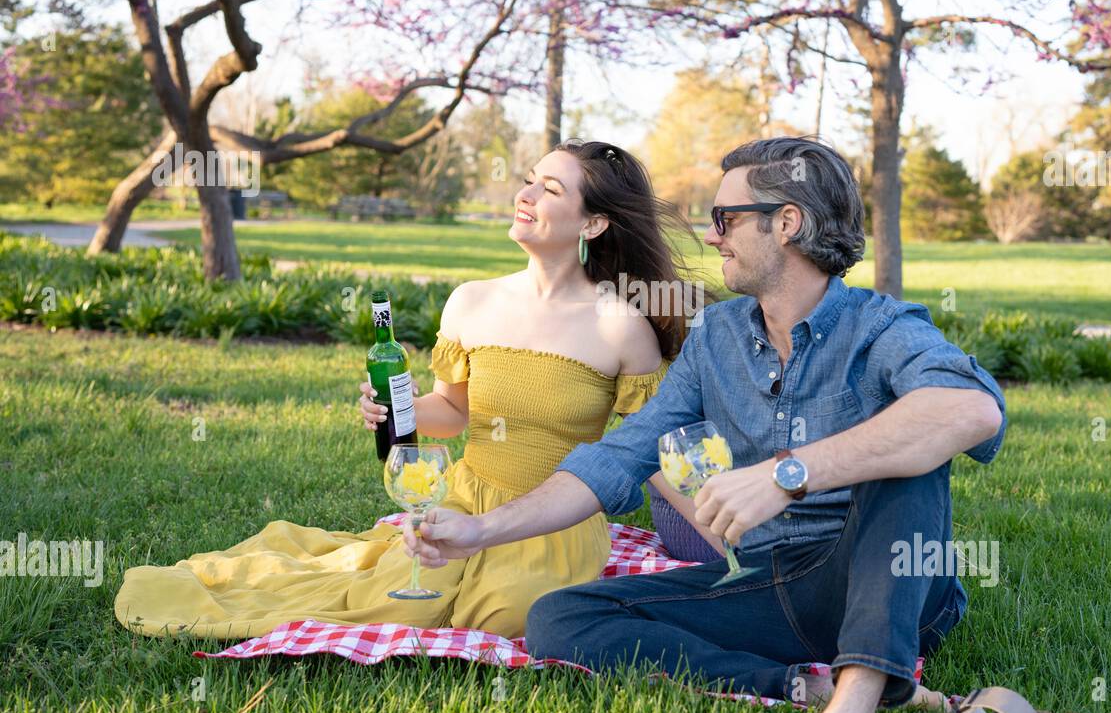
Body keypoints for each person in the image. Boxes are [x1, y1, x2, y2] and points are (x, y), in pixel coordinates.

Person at [402, 136, 1007, 713]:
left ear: (787, 224)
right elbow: (622, 455)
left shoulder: (882, 328)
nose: (713, 236)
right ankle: (800, 686)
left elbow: (972, 410)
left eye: (726, 218)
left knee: (910, 449)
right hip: (772, 584)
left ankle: (856, 702)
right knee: (561, 617)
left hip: (890, 585)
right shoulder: (717, 335)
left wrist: (786, 473)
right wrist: (480, 531)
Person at [113, 140, 709, 641]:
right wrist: (397, 409)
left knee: (508, 615)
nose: (524, 196)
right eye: (528, 181)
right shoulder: (473, 300)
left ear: (593, 222)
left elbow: (646, 449)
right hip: (463, 496)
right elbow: (451, 411)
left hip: (554, 520)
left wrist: (724, 532)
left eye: (550, 191)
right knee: (402, 602)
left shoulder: (620, 325)